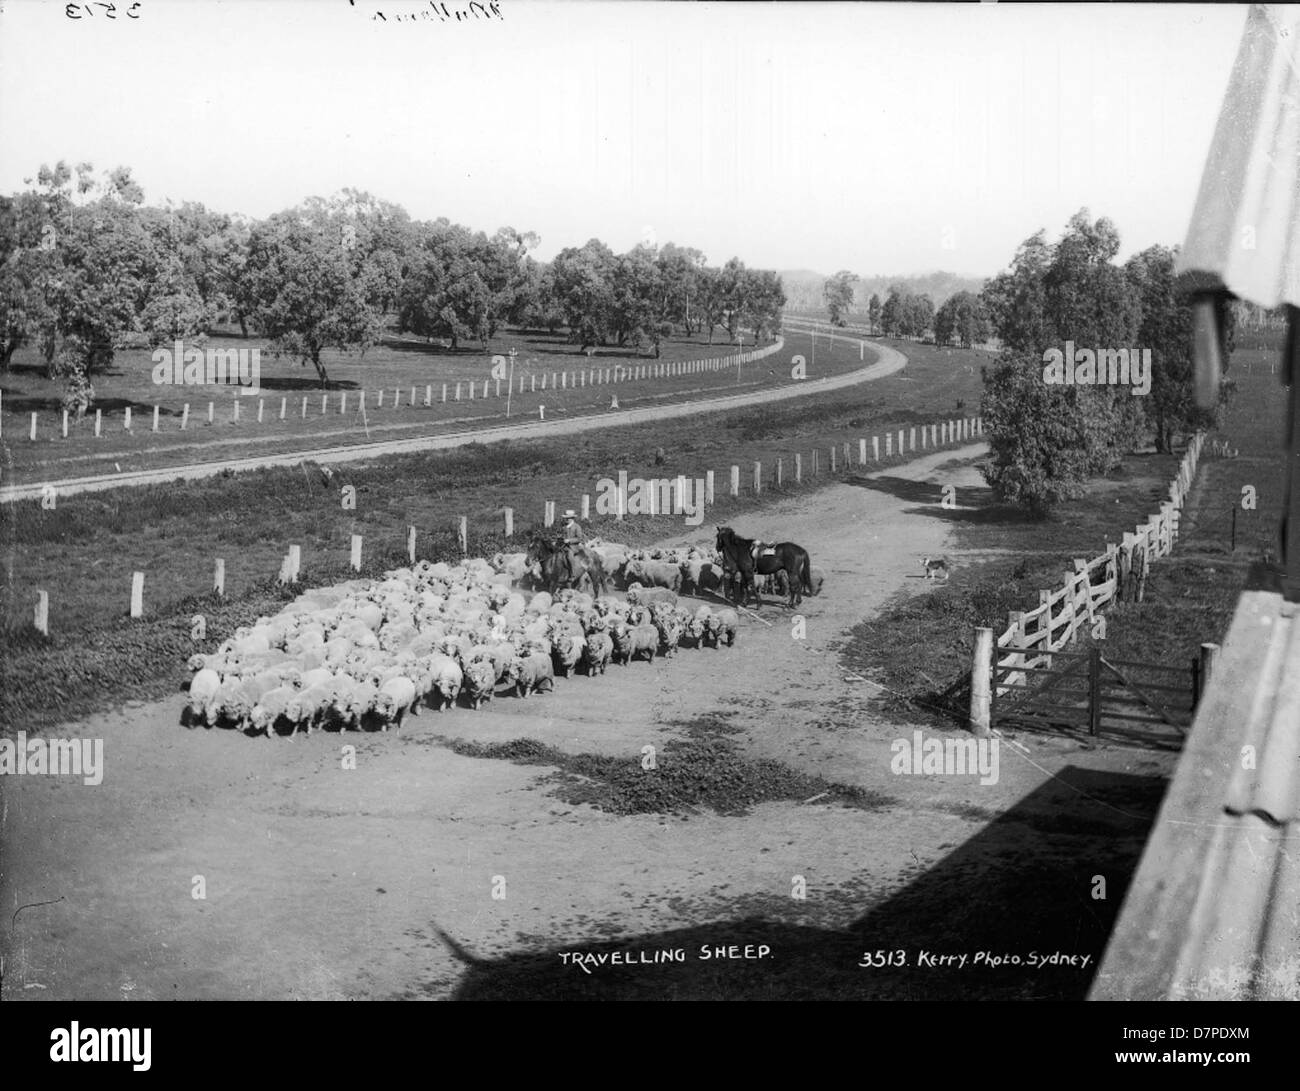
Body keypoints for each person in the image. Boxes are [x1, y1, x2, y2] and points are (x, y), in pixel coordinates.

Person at [558, 510, 583, 586]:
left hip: (574, 547)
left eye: (568, 518)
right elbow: (562, 536)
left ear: (572, 518)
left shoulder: (577, 527)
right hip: (564, 546)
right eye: (566, 518)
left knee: (569, 556)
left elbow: (579, 538)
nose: (566, 520)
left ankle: (573, 574)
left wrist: (569, 540)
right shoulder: (564, 527)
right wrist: (560, 538)